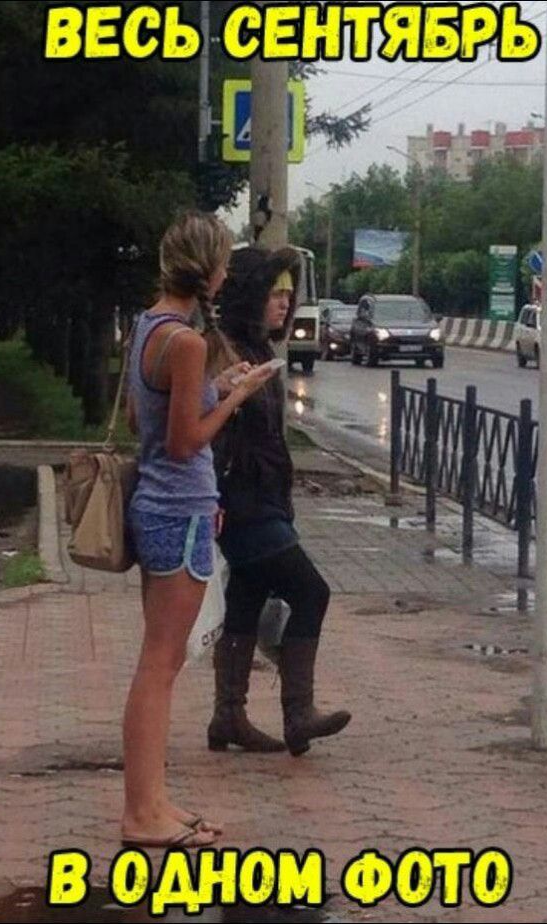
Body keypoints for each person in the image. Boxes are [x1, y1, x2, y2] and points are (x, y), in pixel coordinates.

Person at [122, 214, 276, 849]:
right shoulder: (185, 340)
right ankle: (142, 813)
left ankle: (154, 801)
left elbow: (146, 417)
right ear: (210, 271)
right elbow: (186, 441)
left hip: (159, 506)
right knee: (159, 666)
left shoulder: (149, 325)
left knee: (158, 663)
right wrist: (234, 399)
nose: (227, 274)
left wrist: (215, 387)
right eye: (224, 264)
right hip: (177, 509)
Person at [208, 245, 352, 757]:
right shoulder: (225, 350)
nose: (284, 303)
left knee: (246, 598)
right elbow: (210, 428)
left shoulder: (260, 349)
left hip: (263, 498)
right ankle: (298, 713)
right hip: (241, 500)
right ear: (250, 295)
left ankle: (229, 716)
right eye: (274, 293)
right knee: (311, 592)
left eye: (289, 294)